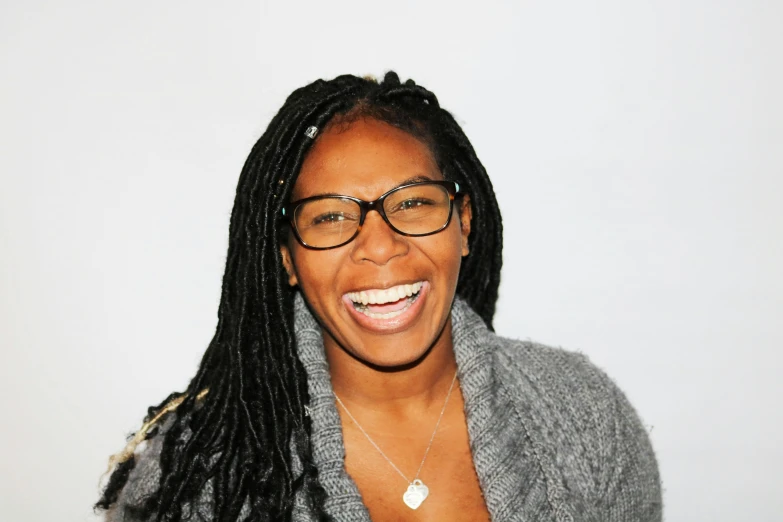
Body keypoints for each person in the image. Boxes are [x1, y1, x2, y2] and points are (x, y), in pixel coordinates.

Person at [96, 72, 662, 522]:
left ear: (464, 222)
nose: (381, 247)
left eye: (413, 203)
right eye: (331, 216)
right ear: (287, 258)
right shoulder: (203, 478)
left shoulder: (584, 417)